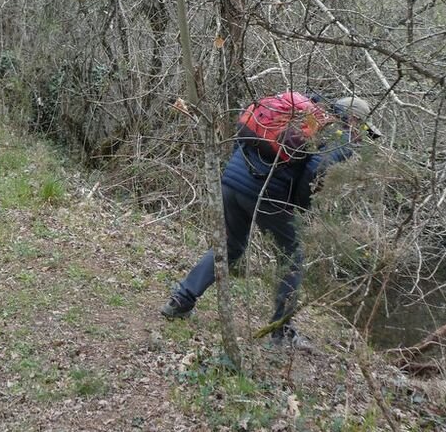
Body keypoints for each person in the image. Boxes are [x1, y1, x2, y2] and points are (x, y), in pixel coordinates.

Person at [161, 94, 380, 347]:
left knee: (230, 246)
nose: (361, 133)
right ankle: (281, 332)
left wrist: (237, 175)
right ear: (353, 119)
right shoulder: (338, 135)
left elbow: (243, 136)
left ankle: (181, 300)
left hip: (232, 181)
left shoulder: (298, 112)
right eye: (361, 127)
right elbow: (317, 169)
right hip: (269, 194)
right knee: (292, 258)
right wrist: (299, 205)